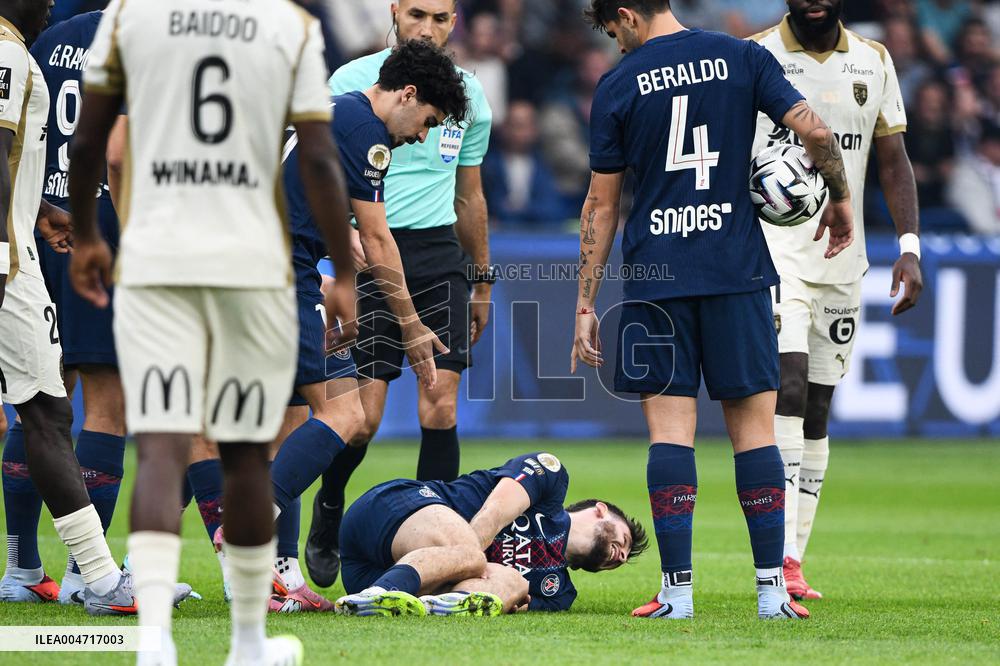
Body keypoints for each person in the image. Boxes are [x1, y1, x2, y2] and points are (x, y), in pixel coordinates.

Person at [68, 1, 356, 664]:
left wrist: (87, 234)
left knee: (164, 441)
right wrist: (342, 268)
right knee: (247, 456)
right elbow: (317, 160)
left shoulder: (130, 17)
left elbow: (91, 143)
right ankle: (249, 643)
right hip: (250, 264)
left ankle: (154, 645)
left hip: (157, 262)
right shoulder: (292, 27)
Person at [573, 0, 853, 620]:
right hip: (736, 272)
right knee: (754, 435)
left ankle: (676, 594)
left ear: (626, 14)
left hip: (657, 279)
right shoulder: (743, 56)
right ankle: (772, 594)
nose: (617, 42)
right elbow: (816, 134)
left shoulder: (618, 83)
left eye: (613, 30)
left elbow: (601, 205)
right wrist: (839, 198)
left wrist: (586, 302)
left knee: (670, 434)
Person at [267, 38, 471, 613]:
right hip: (281, 274)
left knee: (283, 424)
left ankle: (278, 574)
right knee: (349, 412)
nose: (424, 136)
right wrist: (410, 326)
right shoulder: (368, 133)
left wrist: (341, 282)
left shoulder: (329, 111)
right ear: (407, 95)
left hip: (263, 265)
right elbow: (378, 238)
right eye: (428, 120)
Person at [308, 0, 494, 590]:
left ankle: (437, 536)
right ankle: (329, 507)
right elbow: (317, 176)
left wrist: (483, 278)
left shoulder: (469, 97)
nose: (428, 28)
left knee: (440, 401)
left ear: (455, 21)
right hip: (367, 250)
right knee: (362, 419)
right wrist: (340, 248)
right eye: (418, 13)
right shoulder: (353, 84)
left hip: (438, 254)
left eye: (441, 18)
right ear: (395, 11)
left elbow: (469, 198)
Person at [751, 0, 923, 601]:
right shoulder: (756, 54)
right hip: (773, 254)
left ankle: (795, 557)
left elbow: (894, 161)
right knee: (789, 383)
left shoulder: (874, 61)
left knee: (819, 406)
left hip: (843, 261)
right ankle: (778, 556)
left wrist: (910, 245)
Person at [0, 0, 133, 615]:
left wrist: (39, 213)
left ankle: (23, 563)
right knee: (98, 404)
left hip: (37, 232)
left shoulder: (48, 42)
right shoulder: (141, 42)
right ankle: (91, 576)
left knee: (38, 402)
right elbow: (119, 153)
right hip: (88, 240)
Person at [329, 452, 647, 616]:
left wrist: (502, 586)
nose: (621, 554)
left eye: (622, 559)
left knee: (514, 581)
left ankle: (435, 608)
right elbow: (491, 515)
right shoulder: (551, 480)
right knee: (471, 552)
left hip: (382, 574)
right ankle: (378, 595)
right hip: (389, 510)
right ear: (601, 509)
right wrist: (473, 559)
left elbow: (510, 596)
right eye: (625, 540)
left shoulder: (559, 593)